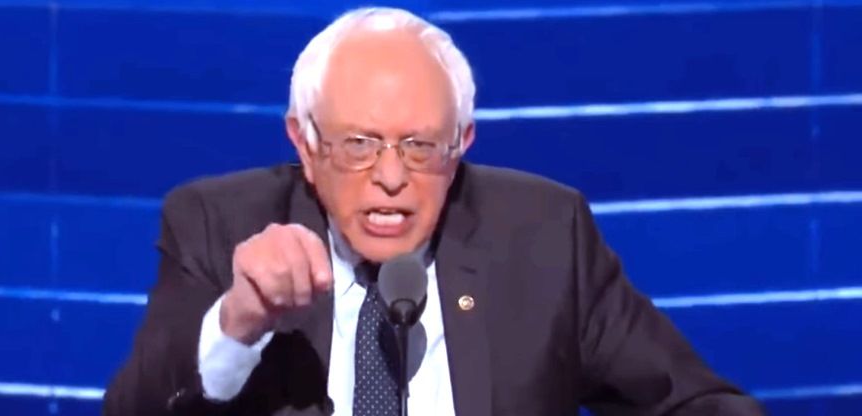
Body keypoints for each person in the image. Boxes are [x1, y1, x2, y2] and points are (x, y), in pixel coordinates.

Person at [103, 7, 764, 416]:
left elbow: (696, 402)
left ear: (461, 144)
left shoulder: (543, 236)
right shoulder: (216, 223)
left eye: (420, 146)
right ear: (304, 144)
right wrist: (239, 321)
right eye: (359, 145)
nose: (391, 177)